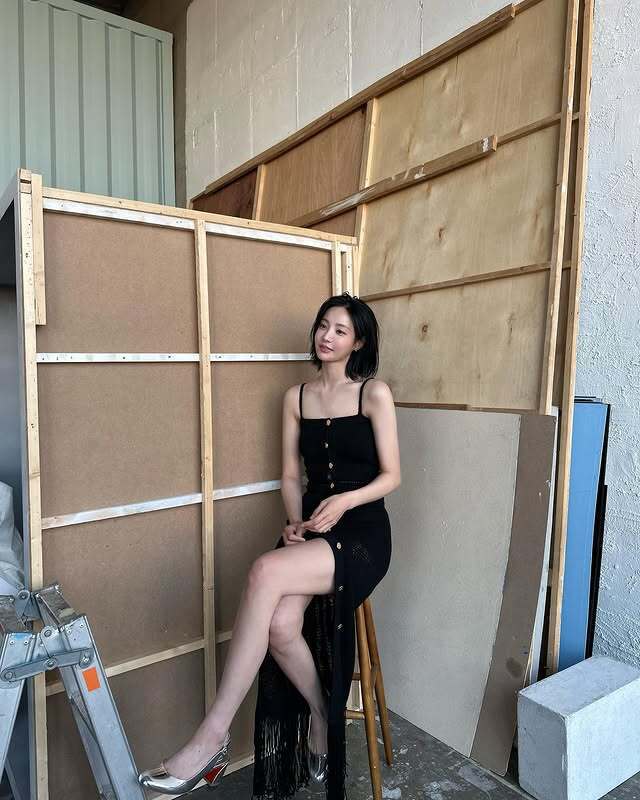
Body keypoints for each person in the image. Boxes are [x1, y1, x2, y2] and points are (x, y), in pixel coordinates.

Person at [139, 292, 401, 798]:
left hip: (363, 534)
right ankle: (322, 716)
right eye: (323, 325)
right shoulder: (295, 397)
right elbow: (290, 474)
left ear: (359, 342)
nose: (327, 336)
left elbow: (392, 476)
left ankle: (211, 737)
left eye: (340, 330)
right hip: (312, 529)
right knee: (281, 624)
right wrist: (295, 521)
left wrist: (345, 502)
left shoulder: (374, 393)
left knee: (263, 571)